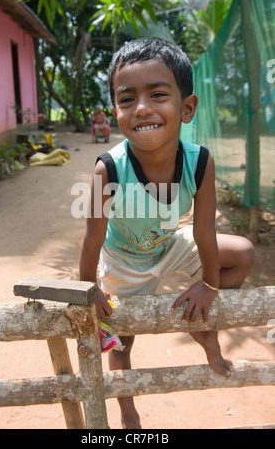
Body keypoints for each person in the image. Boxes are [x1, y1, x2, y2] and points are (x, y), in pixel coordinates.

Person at [79, 38, 254, 429]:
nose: (142, 108)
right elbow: (92, 239)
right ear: (116, 111)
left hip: (169, 246)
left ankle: (200, 326)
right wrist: (89, 288)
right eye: (127, 100)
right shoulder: (107, 170)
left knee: (241, 253)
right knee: (121, 344)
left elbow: (204, 231)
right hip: (123, 262)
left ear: (186, 107)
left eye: (158, 94)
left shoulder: (199, 163)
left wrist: (208, 284)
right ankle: (128, 411)